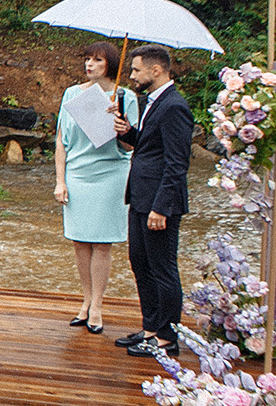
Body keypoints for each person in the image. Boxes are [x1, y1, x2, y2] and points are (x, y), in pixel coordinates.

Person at [114, 45, 195, 359]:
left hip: (160, 202)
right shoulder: (152, 101)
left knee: (162, 268)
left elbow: (177, 163)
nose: (132, 76)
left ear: (156, 70)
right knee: (140, 263)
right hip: (140, 196)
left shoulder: (175, 106)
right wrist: (130, 133)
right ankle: (150, 328)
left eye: (136, 70)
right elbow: (151, 146)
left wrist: (162, 207)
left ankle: (166, 338)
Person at [53, 43, 140, 335]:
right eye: (87, 59)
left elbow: (131, 145)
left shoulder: (126, 96)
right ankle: (85, 300)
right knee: (79, 240)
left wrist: (120, 124)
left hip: (111, 173)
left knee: (102, 242)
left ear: (110, 65)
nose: (90, 64)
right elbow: (61, 142)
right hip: (78, 173)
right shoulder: (71, 94)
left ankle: (98, 306)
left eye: (97, 60)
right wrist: (60, 180)